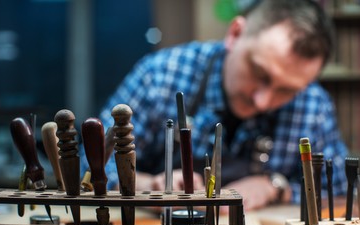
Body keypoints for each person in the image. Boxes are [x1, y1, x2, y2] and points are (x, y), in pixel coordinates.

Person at [80, 0, 348, 211]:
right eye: (259, 73)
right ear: (235, 33)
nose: (263, 100)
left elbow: (341, 188)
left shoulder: (312, 104)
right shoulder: (161, 76)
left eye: (287, 90)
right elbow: (89, 166)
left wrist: (275, 187)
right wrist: (150, 185)